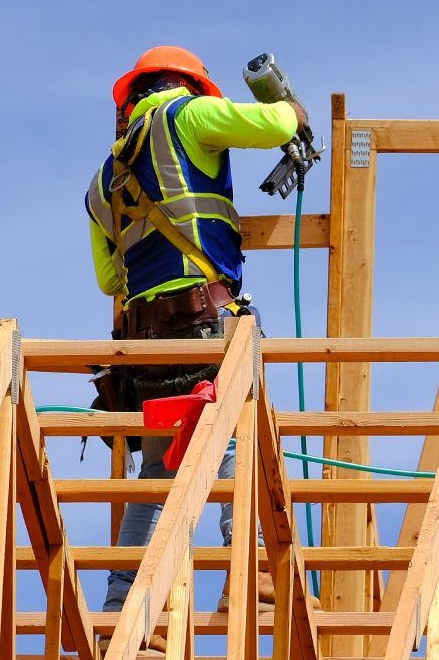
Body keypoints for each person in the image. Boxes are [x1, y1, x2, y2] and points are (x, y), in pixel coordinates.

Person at [86, 45, 306, 614]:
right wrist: (292, 108)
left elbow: (110, 276)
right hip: (205, 324)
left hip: (144, 349)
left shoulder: (102, 181)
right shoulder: (189, 115)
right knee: (233, 435)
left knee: (157, 468)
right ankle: (247, 574)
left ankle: (119, 601)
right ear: (186, 85)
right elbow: (279, 123)